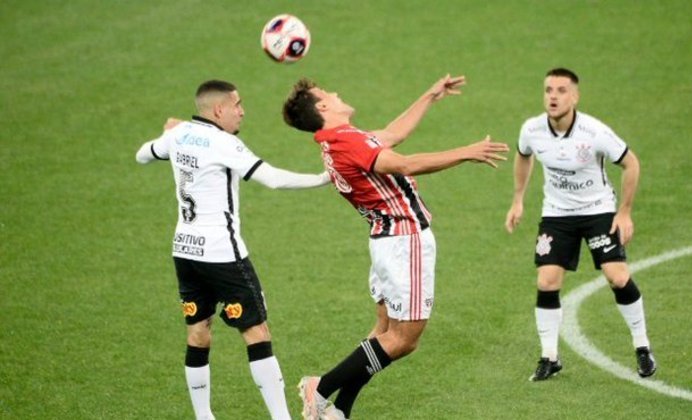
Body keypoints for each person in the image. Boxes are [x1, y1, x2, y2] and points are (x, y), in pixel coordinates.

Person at [282, 75, 509, 419]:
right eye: (327, 92)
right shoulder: (348, 143)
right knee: (404, 339)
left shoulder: (341, 140)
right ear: (323, 107)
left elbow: (394, 133)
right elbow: (403, 163)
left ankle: (339, 410)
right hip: (405, 241)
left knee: (384, 332)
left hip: (386, 241)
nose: (335, 91)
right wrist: (465, 153)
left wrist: (430, 95)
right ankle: (322, 387)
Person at [135, 79, 330, 420]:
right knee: (256, 332)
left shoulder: (179, 135)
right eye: (237, 105)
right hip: (223, 254)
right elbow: (272, 178)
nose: (242, 111)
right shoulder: (224, 143)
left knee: (199, 331)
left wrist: (173, 134)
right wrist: (323, 177)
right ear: (219, 109)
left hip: (185, 251)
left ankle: (203, 416)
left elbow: (142, 155)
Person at [504, 68, 657, 381]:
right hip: (557, 215)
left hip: (598, 210)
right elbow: (523, 155)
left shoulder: (594, 132)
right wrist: (518, 198)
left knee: (616, 276)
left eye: (561, 91)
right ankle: (550, 357)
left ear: (574, 97)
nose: (553, 96)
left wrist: (624, 212)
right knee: (547, 281)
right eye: (548, 90)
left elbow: (631, 163)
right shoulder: (532, 129)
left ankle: (642, 347)